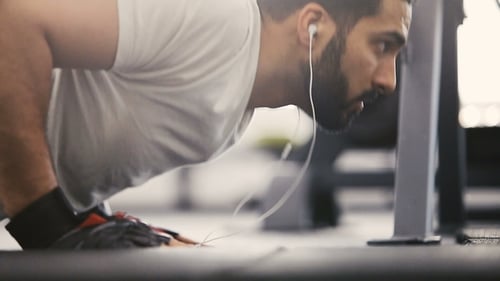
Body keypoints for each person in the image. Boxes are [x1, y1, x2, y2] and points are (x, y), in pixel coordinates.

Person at [0, 0, 412, 249]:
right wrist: (45, 222)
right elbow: (14, 19)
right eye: (382, 45)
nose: (388, 81)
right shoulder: (219, 18)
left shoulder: (234, 112)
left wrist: (99, 225)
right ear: (311, 26)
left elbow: (82, 112)